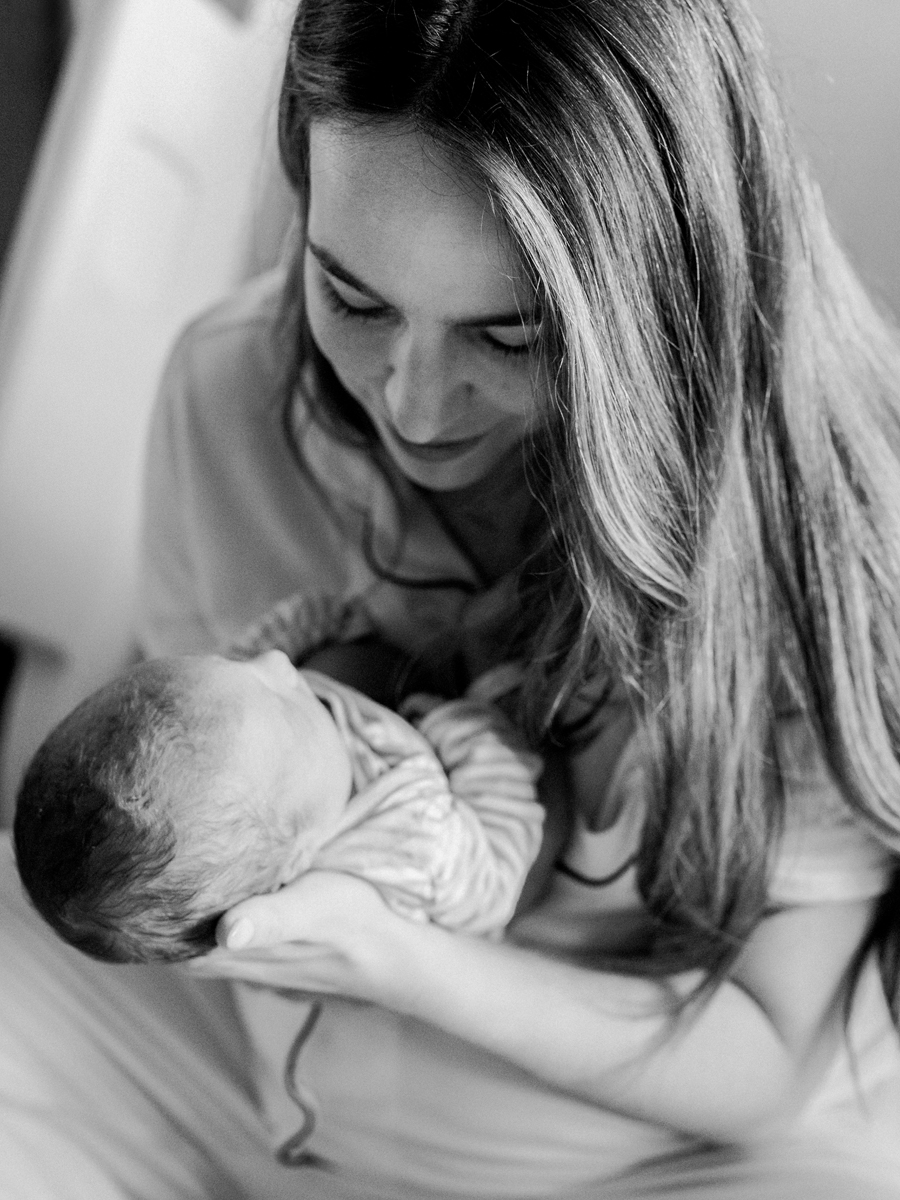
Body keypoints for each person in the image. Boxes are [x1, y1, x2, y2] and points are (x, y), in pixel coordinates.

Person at [3, 1, 900, 1197]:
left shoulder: (830, 533)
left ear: (660, 298)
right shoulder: (229, 394)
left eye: (514, 334)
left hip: (637, 1161)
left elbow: (769, 1050)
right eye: (354, 298)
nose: (415, 408)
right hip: (246, 1082)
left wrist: (387, 956)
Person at [13, 650, 544, 963]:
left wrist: (333, 617)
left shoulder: (247, 742)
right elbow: (499, 873)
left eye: (235, 662)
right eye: (283, 700)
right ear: (296, 861)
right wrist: (469, 725)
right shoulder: (411, 834)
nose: (278, 663)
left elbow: (272, 642)